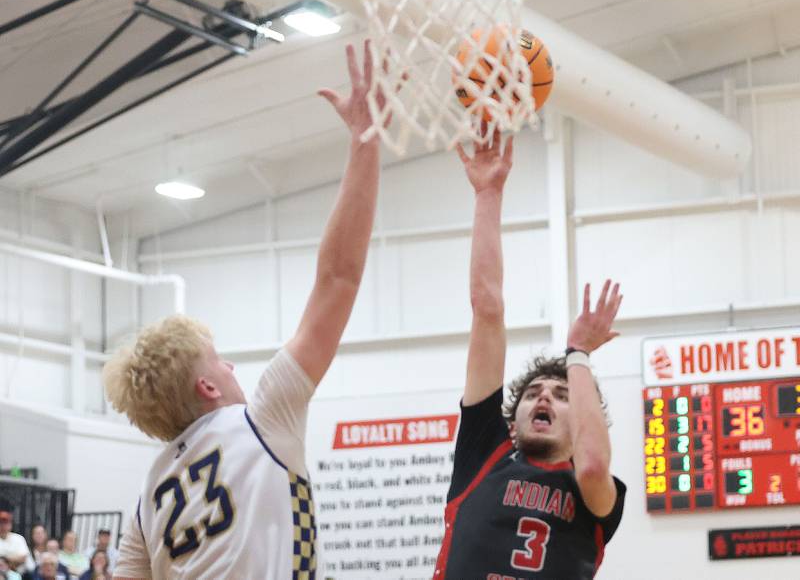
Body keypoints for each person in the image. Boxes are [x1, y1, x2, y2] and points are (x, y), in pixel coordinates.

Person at [106, 41, 388, 580]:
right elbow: (338, 279)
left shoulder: (148, 501)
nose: (231, 367)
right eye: (219, 360)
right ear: (206, 387)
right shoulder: (263, 420)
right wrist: (365, 142)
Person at [432, 129, 626, 579]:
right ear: (513, 416)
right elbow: (487, 308)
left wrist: (578, 354)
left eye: (561, 396)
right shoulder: (486, 454)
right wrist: (488, 193)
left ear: (582, 420)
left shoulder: (593, 490)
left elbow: (594, 462)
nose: (542, 398)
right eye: (534, 392)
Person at [0, 509, 33, 576]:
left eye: (5, 523)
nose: (3, 526)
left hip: (22, 574)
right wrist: (13, 560)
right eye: (0, 523)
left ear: (10, 524)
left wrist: (4, 558)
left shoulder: (18, 538)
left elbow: (23, 558)